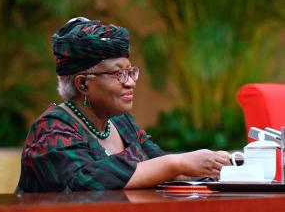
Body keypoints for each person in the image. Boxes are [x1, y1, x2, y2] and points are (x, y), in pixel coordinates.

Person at [16, 17, 231, 193]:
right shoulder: (50, 131)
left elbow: (160, 164)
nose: (130, 82)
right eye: (118, 73)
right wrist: (177, 163)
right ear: (83, 83)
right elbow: (85, 182)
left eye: (130, 71)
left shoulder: (121, 123)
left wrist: (220, 165)